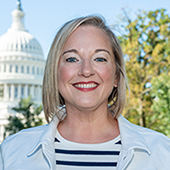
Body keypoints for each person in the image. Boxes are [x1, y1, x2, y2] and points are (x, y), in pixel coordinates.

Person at [0, 15, 170, 170]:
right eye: (72, 59)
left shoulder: (161, 152)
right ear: (54, 73)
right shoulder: (11, 153)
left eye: (100, 59)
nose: (86, 70)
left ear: (116, 75)